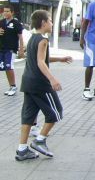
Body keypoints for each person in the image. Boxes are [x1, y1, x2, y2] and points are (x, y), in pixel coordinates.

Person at [15, 10, 72, 161]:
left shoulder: (34, 38)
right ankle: (40, 140)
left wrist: (60, 59)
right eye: (50, 21)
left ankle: (22, 150)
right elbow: (40, 62)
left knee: (28, 116)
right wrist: (53, 79)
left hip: (28, 82)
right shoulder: (43, 40)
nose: (52, 24)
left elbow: (39, 58)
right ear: (43, 23)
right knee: (56, 112)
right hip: (40, 84)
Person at [0, 5, 24, 96]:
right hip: (1, 49)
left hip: (10, 50)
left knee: (9, 67)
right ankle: (11, 86)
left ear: (12, 12)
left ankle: (13, 86)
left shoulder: (16, 23)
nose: (5, 13)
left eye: (7, 11)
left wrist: (21, 49)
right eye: (4, 11)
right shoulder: (1, 22)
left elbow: (20, 38)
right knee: (5, 68)